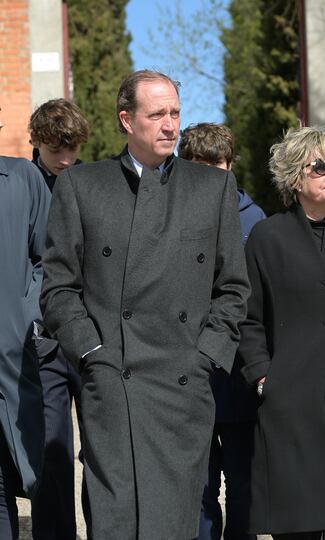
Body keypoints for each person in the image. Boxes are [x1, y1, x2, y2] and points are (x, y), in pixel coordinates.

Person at [40, 70, 250, 540]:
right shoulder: (83, 187)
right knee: (116, 520)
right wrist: (92, 354)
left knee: (175, 521)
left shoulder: (212, 189)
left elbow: (234, 289)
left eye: (175, 113)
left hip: (183, 387)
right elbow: (58, 287)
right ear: (126, 120)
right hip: (114, 384)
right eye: (157, 114)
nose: (170, 125)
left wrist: (206, 357)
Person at [237, 125, 325, 540]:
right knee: (299, 521)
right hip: (292, 399)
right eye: (320, 166)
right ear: (294, 177)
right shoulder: (267, 237)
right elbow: (249, 316)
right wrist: (262, 373)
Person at [178, 122, 265, 540]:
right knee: (198, 486)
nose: (209, 177)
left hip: (238, 372)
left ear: (230, 168)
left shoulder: (254, 222)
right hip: (187, 372)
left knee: (246, 483)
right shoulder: (165, 214)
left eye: (217, 167)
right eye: (198, 167)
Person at [28, 98, 91, 540]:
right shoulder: (21, 185)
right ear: (36, 143)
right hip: (42, 341)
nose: (66, 161)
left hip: (90, 334)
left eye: (72, 151)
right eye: (56, 152)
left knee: (103, 450)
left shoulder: (92, 182)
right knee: (52, 450)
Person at [0, 106, 50, 538]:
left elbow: (48, 258)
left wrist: (27, 316)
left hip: (14, 353)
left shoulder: (22, 178)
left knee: (25, 469)